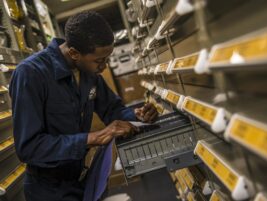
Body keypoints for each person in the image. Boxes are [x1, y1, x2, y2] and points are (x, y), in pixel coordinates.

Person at [9, 11, 158, 201]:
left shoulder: (88, 71)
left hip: (82, 179)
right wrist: (94, 137)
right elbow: (29, 148)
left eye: (107, 58)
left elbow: (112, 109)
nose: (104, 66)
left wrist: (136, 115)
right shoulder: (30, 74)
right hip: (49, 191)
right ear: (74, 53)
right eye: (99, 60)